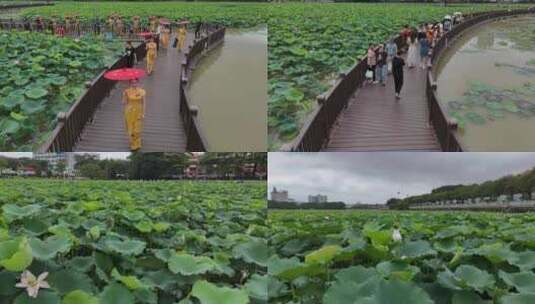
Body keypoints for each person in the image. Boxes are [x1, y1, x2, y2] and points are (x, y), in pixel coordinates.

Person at [123, 80, 146, 151]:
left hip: (138, 111)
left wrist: (143, 113)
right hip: (129, 111)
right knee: (131, 128)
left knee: (137, 128)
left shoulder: (142, 91)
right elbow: (124, 102)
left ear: (138, 83)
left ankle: (137, 142)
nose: (134, 84)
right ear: (130, 83)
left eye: (135, 82)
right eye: (132, 83)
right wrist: (125, 95)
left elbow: (144, 103)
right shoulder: (127, 91)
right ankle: (133, 144)